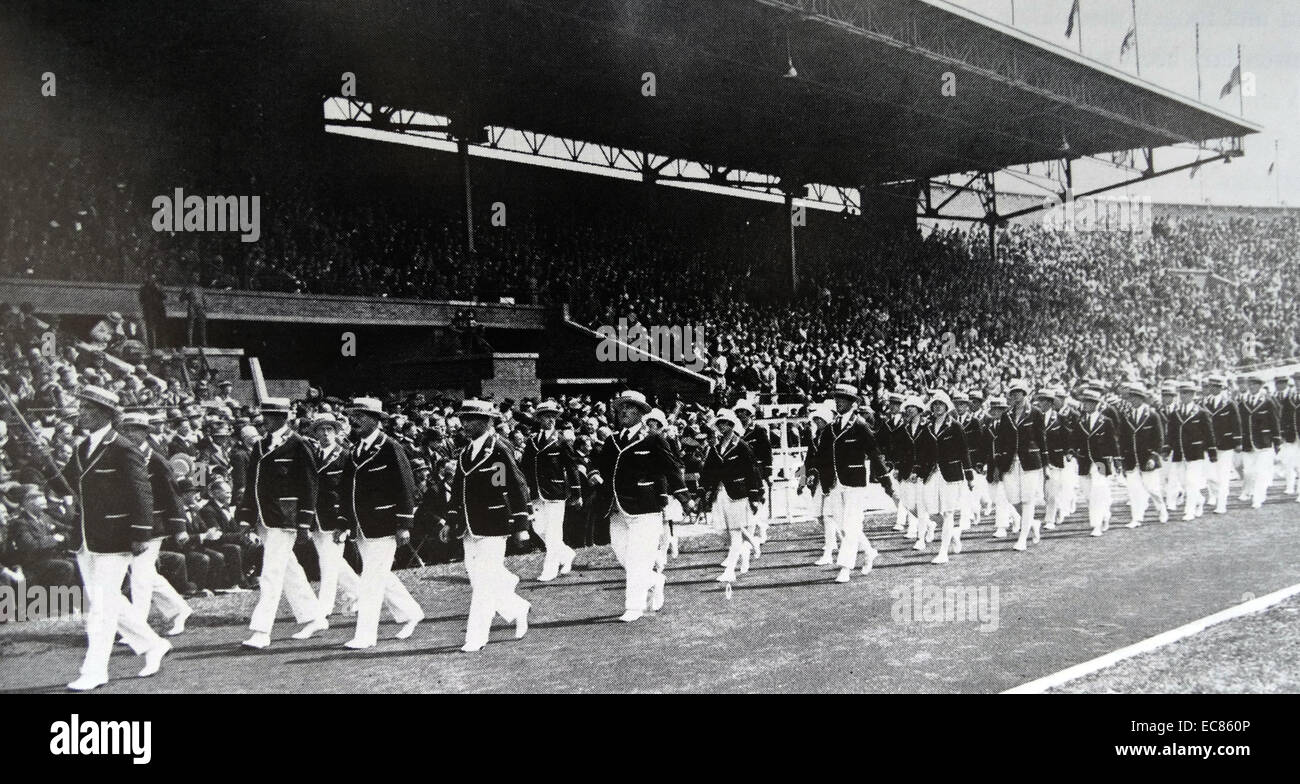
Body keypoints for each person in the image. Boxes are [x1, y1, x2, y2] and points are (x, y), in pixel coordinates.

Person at [60, 385, 171, 691]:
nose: (80, 412)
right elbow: (66, 482)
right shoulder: (82, 448)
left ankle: (94, 670)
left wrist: (140, 534)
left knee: (102, 608)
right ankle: (152, 643)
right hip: (86, 538)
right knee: (104, 600)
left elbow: (142, 493)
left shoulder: (123, 448)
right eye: (81, 407)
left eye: (86, 408)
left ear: (104, 413)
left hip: (115, 538)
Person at [437, 399, 532, 651]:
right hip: (469, 526)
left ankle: (476, 637)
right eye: (463, 419)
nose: (465, 424)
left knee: (484, 584)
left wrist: (521, 523)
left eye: (471, 419)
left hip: (494, 524)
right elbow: (458, 489)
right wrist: (451, 520)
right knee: (478, 579)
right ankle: (517, 608)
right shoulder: (465, 452)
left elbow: (512, 486)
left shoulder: (499, 448)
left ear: (488, 421)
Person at [589, 390, 691, 620]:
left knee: (637, 560)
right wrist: (593, 473)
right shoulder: (612, 439)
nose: (624, 411)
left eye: (630, 407)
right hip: (616, 508)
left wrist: (685, 498)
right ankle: (655, 579)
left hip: (646, 508)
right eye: (621, 407)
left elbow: (672, 468)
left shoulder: (653, 439)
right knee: (623, 555)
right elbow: (598, 463)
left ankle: (633, 607)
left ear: (641, 412)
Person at [336, 397, 425, 649]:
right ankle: (411, 612)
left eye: (361, 415)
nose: (355, 420)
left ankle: (365, 635)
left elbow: (405, 487)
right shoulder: (355, 450)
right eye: (353, 415)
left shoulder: (391, 447)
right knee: (379, 575)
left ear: (376, 420)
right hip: (362, 526)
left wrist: (404, 524)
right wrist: (343, 521)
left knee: (372, 580)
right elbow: (346, 491)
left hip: (385, 525)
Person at [240, 397, 328, 649]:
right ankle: (313, 616)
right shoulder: (259, 446)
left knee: (271, 572)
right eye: (262, 415)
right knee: (288, 569)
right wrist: (247, 518)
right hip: (264, 519)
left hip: (286, 519)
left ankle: (261, 630)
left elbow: (310, 486)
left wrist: (304, 523)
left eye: (268, 415)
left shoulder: (299, 445)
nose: (263, 420)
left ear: (282, 418)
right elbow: (252, 485)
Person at [804, 383, 893, 584]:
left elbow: (874, 454)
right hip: (834, 484)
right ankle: (869, 551)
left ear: (853, 403)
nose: (839, 402)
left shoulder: (860, 426)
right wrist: (812, 472)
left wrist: (886, 481)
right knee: (845, 526)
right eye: (837, 399)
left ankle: (845, 567)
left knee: (851, 524)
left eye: (843, 399)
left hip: (855, 483)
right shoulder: (831, 427)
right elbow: (821, 456)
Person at [117, 412, 192, 636]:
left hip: (154, 525)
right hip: (131, 524)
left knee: (140, 574)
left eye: (136, 430)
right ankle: (180, 609)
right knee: (145, 573)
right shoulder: (122, 457)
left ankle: (138, 627)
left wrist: (180, 529)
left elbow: (173, 495)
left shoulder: (157, 461)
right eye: (126, 430)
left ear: (146, 432)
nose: (130, 434)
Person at [304, 413, 361, 616]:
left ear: (337, 433)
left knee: (328, 564)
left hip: (337, 518)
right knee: (333, 561)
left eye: (330, 429)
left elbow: (349, 490)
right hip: (317, 518)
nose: (326, 434)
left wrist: (346, 520)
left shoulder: (346, 456)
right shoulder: (313, 455)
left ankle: (324, 607)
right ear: (316, 433)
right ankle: (360, 592)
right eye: (321, 429)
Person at [700, 409, 764, 583]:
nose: (721, 426)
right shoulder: (715, 447)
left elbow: (752, 471)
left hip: (738, 494)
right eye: (719, 423)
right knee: (724, 531)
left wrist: (755, 495)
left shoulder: (742, 446)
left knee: (735, 532)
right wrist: (704, 489)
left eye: (725, 423)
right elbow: (708, 470)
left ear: (732, 425)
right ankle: (751, 543)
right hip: (720, 494)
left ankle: (730, 571)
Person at [520, 399, 580, 582]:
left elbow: (572, 467)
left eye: (553, 417)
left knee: (554, 532)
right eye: (546, 417)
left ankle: (550, 568)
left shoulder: (561, 440)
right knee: (539, 528)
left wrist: (577, 493)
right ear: (539, 419)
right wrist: (525, 490)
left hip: (556, 492)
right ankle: (566, 554)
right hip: (537, 492)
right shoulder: (531, 441)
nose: (551, 420)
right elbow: (525, 467)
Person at [917, 391, 973, 565]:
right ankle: (953, 535)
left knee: (948, 512)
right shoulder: (926, 426)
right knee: (933, 512)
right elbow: (922, 452)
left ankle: (943, 552)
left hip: (952, 474)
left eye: (940, 404)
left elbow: (964, 452)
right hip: (932, 474)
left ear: (947, 407)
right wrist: (917, 470)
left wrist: (969, 475)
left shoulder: (955, 426)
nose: (937, 407)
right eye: (934, 404)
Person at [997, 381, 1047, 552]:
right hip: (1010, 461)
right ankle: (1032, 523)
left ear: (1025, 394)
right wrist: (999, 463)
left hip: (1030, 461)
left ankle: (1023, 538)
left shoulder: (1035, 413)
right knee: (1013, 499)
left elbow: (1042, 439)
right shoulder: (1006, 415)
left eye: (1019, 392)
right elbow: (1001, 440)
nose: (1016, 395)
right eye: (1013, 393)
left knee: (1027, 499)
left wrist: (1045, 465)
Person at [1070, 389, 1120, 537]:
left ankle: (1096, 525)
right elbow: (1074, 439)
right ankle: (1105, 514)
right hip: (1084, 461)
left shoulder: (1106, 422)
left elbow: (1113, 442)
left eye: (1089, 402)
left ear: (1096, 404)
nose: (1085, 405)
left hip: (1101, 462)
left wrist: (1117, 461)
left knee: (1098, 491)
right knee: (1088, 495)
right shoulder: (1080, 421)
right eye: (1084, 402)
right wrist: (1071, 450)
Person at [1117, 383, 1168, 527]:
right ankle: (1137, 518)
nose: (1132, 400)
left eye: (1135, 397)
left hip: (1147, 458)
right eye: (1130, 397)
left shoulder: (1152, 415)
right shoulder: (1126, 415)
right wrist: (1121, 458)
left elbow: (1159, 439)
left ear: (1141, 398)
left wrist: (1153, 456)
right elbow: (1122, 439)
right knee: (1134, 490)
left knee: (1152, 488)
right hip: (1131, 459)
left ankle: (1161, 508)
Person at [1166, 381, 1217, 521]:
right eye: (1182, 393)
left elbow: (1209, 434)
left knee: (1191, 481)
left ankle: (1189, 511)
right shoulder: (1175, 413)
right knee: (1183, 482)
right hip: (1179, 453)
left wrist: (1212, 452)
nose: (1184, 396)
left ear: (1193, 395)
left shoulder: (1202, 413)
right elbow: (1170, 434)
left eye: (1187, 393)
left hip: (1195, 453)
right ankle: (1199, 500)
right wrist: (1166, 448)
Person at [732, 398, 773, 545]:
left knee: (759, 501)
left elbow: (767, 452)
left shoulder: (759, 431)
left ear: (750, 414)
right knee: (747, 503)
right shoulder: (736, 433)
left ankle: (761, 531)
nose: (741, 416)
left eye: (744, 413)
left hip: (758, 471)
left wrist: (769, 473)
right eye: (738, 413)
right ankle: (752, 532)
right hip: (742, 473)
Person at [1238, 374, 1281, 509]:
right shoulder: (1243, 402)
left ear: (1260, 386)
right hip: (1247, 443)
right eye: (1249, 384)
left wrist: (1277, 441)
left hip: (1264, 442)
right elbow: (1239, 423)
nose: (1251, 387)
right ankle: (1250, 492)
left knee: (1260, 472)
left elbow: (1275, 422)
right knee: (1248, 472)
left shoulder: (1268, 401)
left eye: (1254, 384)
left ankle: (1258, 498)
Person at [1202, 374, 1242, 515]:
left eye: (1216, 386)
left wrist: (1238, 441)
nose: (1212, 389)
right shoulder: (1204, 403)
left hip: (1225, 444)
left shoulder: (1229, 403)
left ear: (1221, 388)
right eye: (1210, 386)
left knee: (1223, 475)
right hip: (1209, 445)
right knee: (1209, 474)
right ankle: (1215, 495)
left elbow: (1236, 423)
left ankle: (1221, 503)